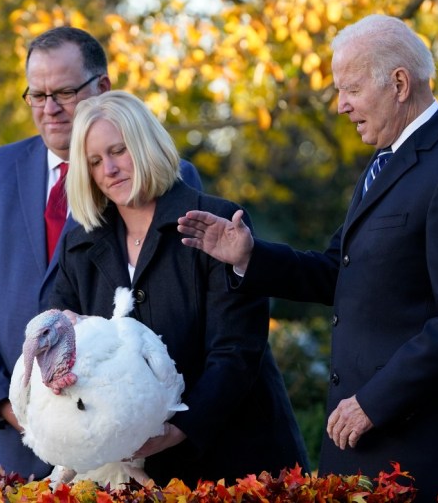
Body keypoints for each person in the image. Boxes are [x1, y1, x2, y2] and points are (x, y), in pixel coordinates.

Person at [178, 14, 438, 502]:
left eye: (350, 89)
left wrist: (373, 403)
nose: (340, 106)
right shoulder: (386, 163)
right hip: (366, 453)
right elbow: (339, 271)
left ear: (399, 83)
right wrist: (249, 256)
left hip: (423, 458)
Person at [0, 27, 202, 478]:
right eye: (36, 95)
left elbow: (186, 309)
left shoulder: (162, 176)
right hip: (15, 442)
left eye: (63, 91)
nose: (49, 109)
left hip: (130, 446)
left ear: (102, 86)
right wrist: (7, 403)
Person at [49, 90, 310, 485]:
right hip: (129, 474)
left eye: (119, 151)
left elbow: (236, 349)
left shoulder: (215, 221)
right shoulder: (79, 245)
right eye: (95, 161)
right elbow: (52, 328)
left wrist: (181, 429)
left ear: (144, 144)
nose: (110, 169)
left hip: (235, 464)